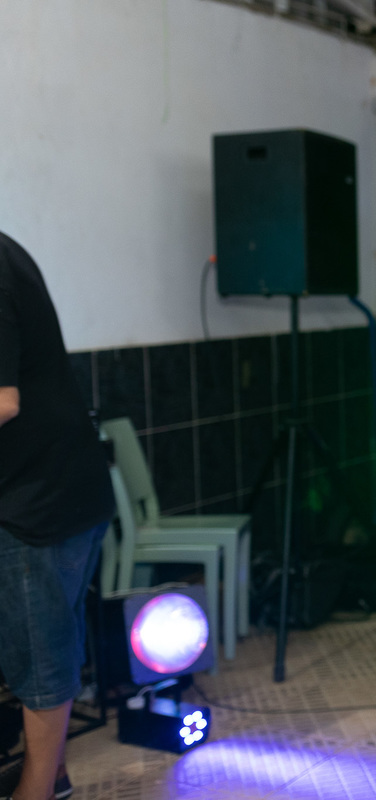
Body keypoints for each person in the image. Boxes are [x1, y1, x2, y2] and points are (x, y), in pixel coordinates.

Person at [0, 232, 115, 800]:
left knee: (40, 659)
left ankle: (37, 791)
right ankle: (55, 775)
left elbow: (2, 401)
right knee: (53, 646)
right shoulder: (7, 250)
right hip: (66, 489)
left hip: (36, 502)